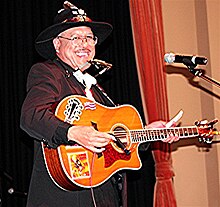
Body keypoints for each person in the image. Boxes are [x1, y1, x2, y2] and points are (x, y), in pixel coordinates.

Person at [20, 2, 179, 207]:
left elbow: (115, 140)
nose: (84, 44)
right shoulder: (47, 72)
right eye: (75, 37)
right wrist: (73, 133)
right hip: (64, 198)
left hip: (105, 197)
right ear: (57, 44)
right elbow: (31, 116)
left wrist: (149, 132)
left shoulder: (95, 89)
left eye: (89, 38)